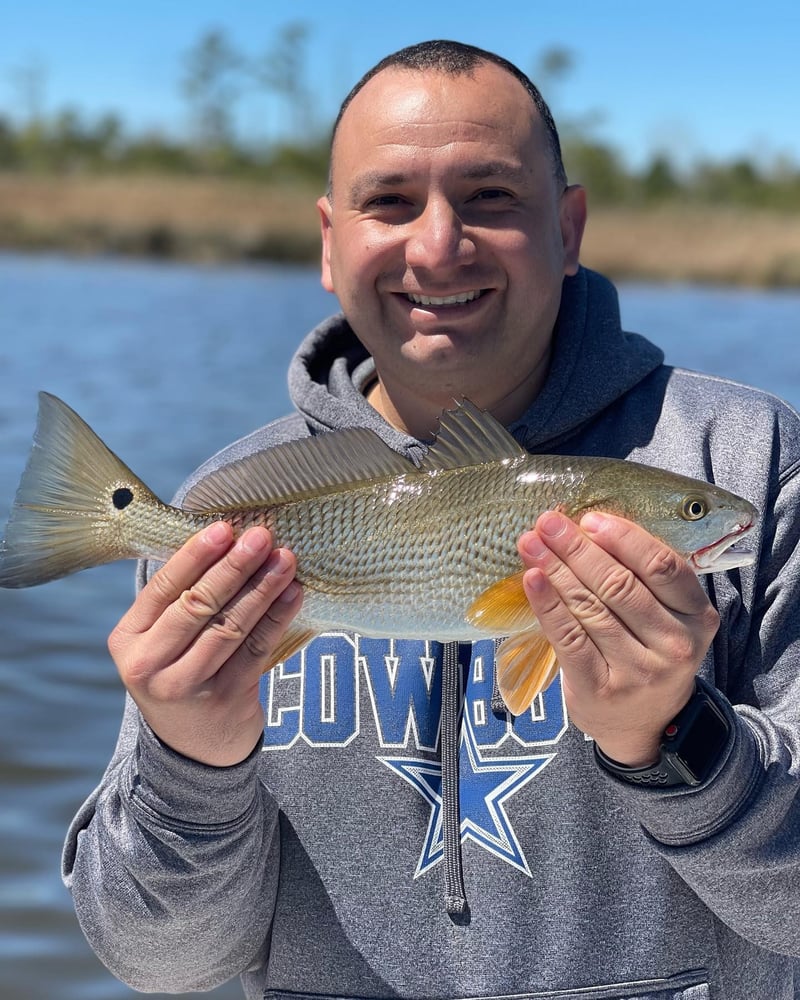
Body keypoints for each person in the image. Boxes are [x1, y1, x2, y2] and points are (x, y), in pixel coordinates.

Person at [62, 40, 800, 1000]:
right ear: (329, 242)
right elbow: (163, 967)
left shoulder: (753, 460)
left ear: (569, 227)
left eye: (491, 196)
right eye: (390, 201)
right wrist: (189, 761)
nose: (439, 244)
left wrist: (681, 743)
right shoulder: (232, 512)